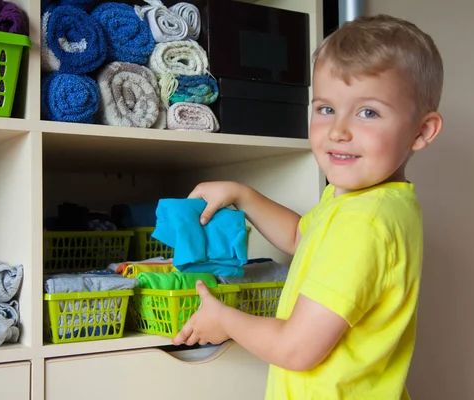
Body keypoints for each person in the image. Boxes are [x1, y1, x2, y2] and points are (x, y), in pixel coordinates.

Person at [171, 14, 444, 399]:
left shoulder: (362, 224)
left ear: (422, 131)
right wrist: (243, 195)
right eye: (326, 109)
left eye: (368, 112)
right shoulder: (366, 202)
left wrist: (225, 320)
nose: (338, 131)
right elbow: (304, 236)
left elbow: (295, 349)